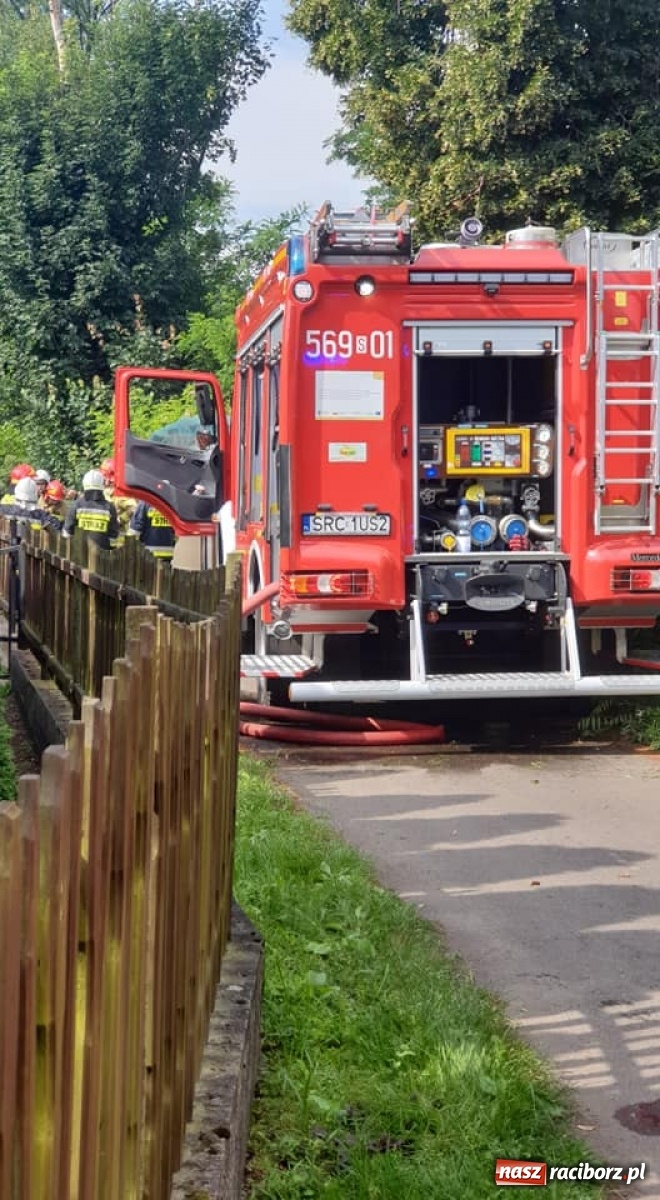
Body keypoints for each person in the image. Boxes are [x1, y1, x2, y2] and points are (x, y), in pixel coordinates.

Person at [63, 469, 119, 550]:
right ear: (101, 485)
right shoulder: (109, 507)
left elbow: (67, 532)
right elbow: (113, 536)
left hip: (79, 553)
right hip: (103, 556)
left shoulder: (76, 505)